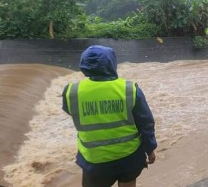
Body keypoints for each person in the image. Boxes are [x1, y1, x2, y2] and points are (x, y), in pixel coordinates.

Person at [62, 45, 157, 187]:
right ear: (112, 63)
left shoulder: (72, 92)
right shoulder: (129, 89)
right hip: (129, 156)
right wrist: (150, 149)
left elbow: (71, 111)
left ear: (84, 65)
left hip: (95, 161)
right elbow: (146, 122)